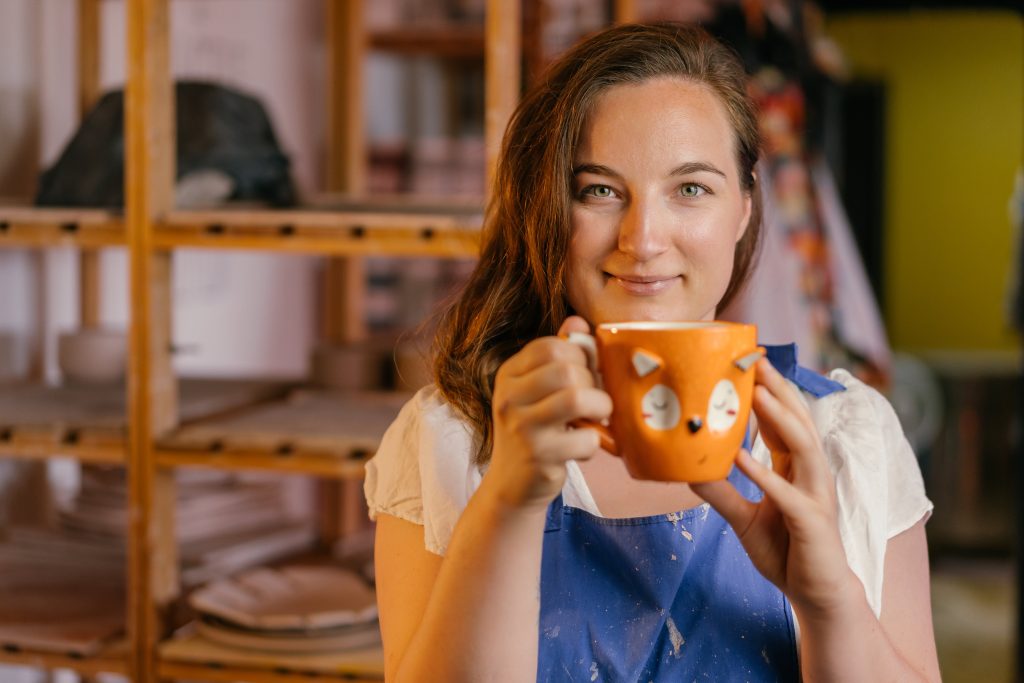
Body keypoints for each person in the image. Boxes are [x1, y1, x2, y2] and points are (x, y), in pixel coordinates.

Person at [365, 23, 939, 682]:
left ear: (745, 208)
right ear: (549, 206)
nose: (642, 238)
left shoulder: (846, 437)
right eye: (600, 190)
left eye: (690, 188)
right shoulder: (451, 438)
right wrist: (507, 503)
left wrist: (829, 596)